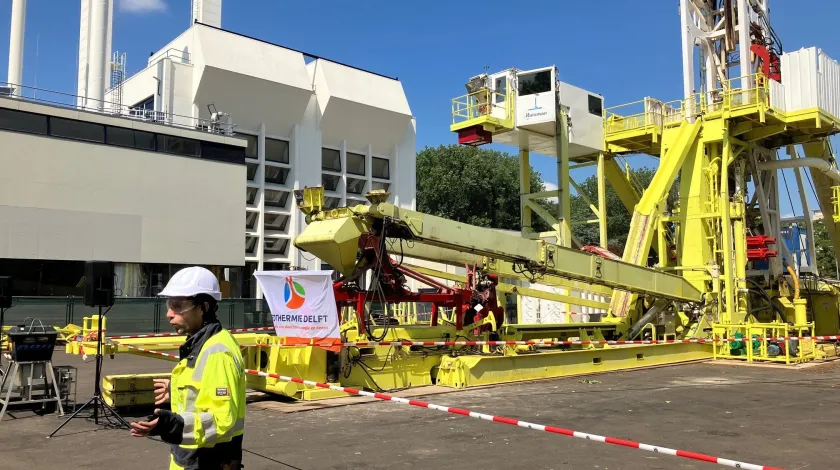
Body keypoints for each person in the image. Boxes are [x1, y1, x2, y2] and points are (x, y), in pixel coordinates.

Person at [129, 266, 246, 470]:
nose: (169, 314)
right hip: (188, 459)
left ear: (203, 307)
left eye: (177, 305)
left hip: (208, 461)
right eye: (169, 304)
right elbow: (201, 394)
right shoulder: (200, 343)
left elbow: (222, 419)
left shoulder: (217, 352)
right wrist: (175, 392)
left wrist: (171, 425)